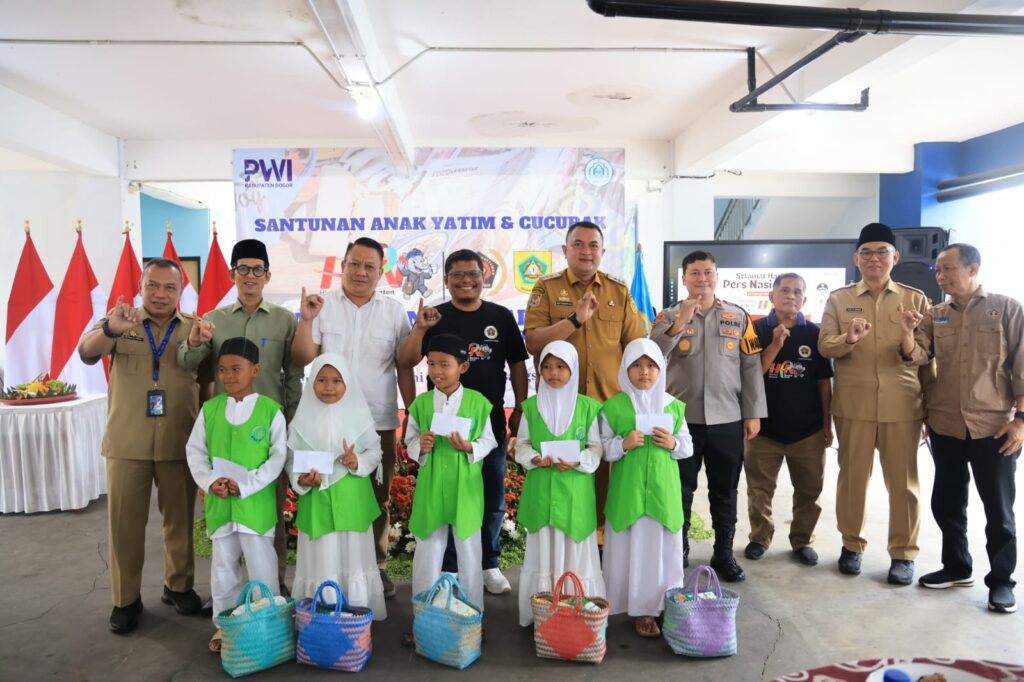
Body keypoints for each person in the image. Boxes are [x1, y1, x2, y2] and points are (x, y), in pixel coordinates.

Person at [78, 257, 202, 634]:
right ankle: (126, 599)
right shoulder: (121, 320)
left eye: (170, 287)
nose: (160, 294)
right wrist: (110, 329)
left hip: (179, 440)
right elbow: (86, 351)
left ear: (181, 292)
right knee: (125, 525)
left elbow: (210, 380)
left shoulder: (196, 329)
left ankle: (178, 586)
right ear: (141, 286)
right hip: (127, 442)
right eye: (153, 285)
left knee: (180, 521)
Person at [397, 249, 529, 595]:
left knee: (492, 497)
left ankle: (488, 564)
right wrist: (420, 328)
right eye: (457, 275)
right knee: (447, 499)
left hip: (487, 426)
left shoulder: (500, 317)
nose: (466, 280)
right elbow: (406, 361)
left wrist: (520, 408)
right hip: (442, 432)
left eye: (473, 274)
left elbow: (517, 364)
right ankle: (450, 568)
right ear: (446, 280)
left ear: (484, 278)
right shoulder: (434, 316)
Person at [177, 238, 302, 595]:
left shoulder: (283, 320)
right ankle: (228, 598)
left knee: (269, 514)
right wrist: (196, 341)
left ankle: (273, 590)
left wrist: (292, 424)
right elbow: (187, 363)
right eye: (242, 269)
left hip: (267, 433)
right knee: (226, 515)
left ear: (267, 275)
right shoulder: (213, 320)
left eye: (257, 269)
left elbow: (292, 376)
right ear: (233, 274)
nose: (250, 275)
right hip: (226, 435)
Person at [292, 237, 415, 599]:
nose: (361, 272)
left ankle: (374, 567)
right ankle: (328, 568)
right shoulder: (321, 306)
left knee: (377, 497)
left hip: (375, 420)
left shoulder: (394, 311)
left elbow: (404, 365)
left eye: (369, 266)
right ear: (342, 266)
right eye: (354, 264)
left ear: (381, 271)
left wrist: (413, 411)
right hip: (327, 420)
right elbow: (302, 358)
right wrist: (305, 321)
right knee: (325, 487)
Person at [909, 243, 1023, 613]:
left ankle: (1001, 581)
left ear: (973, 269)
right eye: (938, 270)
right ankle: (957, 567)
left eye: (948, 268)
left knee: (999, 511)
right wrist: (907, 331)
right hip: (945, 424)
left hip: (994, 427)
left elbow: (1021, 367)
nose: (941, 276)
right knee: (947, 502)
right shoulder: (936, 314)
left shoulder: (1006, 308)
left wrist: (1021, 421)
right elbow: (918, 355)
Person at [818, 222, 929, 586]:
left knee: (904, 483)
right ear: (856, 259)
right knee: (853, 480)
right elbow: (825, 346)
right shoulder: (839, 299)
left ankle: (903, 554)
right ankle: (852, 545)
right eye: (867, 252)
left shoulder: (915, 299)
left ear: (895, 257)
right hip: (854, 406)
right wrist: (848, 339)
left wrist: (908, 335)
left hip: (903, 405)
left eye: (882, 252)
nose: (874, 258)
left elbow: (925, 357)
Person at [523, 220, 647, 535]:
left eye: (593, 245)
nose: (586, 251)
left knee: (607, 476)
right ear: (565, 250)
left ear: (603, 252)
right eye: (578, 244)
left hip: (608, 403)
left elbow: (637, 348)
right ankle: (563, 542)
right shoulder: (546, 288)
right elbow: (533, 342)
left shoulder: (619, 291)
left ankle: (601, 544)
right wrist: (574, 320)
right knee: (561, 475)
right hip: (561, 407)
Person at [650, 250, 766, 583]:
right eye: (695, 273)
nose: (702, 279)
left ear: (716, 276)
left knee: (725, 490)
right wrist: (681, 322)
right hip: (680, 422)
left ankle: (724, 553)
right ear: (684, 278)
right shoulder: (667, 315)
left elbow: (750, 366)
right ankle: (679, 550)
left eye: (708, 272)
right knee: (679, 490)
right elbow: (653, 354)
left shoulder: (737, 316)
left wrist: (753, 413)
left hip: (727, 419)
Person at [184, 338, 286, 653]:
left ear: (255, 370)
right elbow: (195, 451)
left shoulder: (271, 411)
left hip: (254, 507)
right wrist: (210, 481)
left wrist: (247, 484)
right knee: (223, 568)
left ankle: (267, 626)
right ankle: (225, 628)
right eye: (223, 370)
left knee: (262, 567)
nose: (228, 376)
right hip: (221, 505)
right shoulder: (210, 409)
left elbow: (277, 458)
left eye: (236, 369)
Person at [599, 338, 693, 637]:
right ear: (625, 369)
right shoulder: (613, 407)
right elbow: (602, 449)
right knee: (631, 551)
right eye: (636, 365)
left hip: (663, 494)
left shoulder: (674, 406)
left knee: (662, 552)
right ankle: (640, 610)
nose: (644, 371)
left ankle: (665, 607)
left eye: (651, 365)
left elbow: (687, 446)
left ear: (661, 369)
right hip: (629, 494)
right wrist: (623, 444)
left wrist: (673, 442)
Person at [287, 354, 387, 620]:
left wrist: (357, 461)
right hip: (317, 501)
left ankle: (356, 616)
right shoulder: (302, 419)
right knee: (323, 558)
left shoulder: (358, 414)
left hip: (352, 499)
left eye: (336, 380)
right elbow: (292, 460)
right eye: (321, 380)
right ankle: (323, 616)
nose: (328, 387)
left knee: (352, 556)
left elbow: (375, 452)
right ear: (312, 382)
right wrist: (302, 479)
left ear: (347, 383)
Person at [743, 273, 834, 566]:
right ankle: (760, 537)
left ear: (804, 299)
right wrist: (774, 346)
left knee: (810, 490)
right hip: (764, 430)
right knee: (759, 490)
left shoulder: (815, 334)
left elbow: (823, 383)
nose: (790, 296)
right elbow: (750, 376)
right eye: (784, 290)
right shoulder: (755, 329)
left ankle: (803, 540)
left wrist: (827, 423)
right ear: (771, 296)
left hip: (807, 431)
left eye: (797, 291)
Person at [404, 334, 497, 616]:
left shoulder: (478, 403)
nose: (436, 371)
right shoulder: (421, 404)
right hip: (431, 487)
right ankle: (424, 616)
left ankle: (472, 617)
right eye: (431, 364)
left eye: (444, 364)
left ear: (463, 367)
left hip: (465, 488)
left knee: (469, 552)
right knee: (428, 552)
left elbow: (489, 441)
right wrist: (420, 446)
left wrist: (470, 447)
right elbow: (410, 441)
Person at [514, 341, 605, 627]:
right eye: (547, 367)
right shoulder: (531, 407)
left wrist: (578, 460)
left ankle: (576, 617)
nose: (553, 373)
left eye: (561, 366)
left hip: (575, 497)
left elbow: (596, 448)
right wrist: (534, 457)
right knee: (543, 553)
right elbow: (522, 444)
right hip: (542, 496)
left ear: (573, 369)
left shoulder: (588, 408)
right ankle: (543, 616)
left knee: (574, 553)